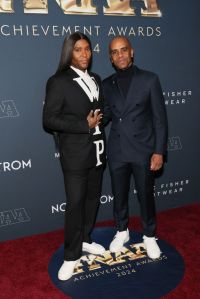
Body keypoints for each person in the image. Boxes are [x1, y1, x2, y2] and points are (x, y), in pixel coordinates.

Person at [43, 32, 106, 281]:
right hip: (75, 155)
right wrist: (84, 124)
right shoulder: (58, 81)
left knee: (92, 200)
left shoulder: (97, 78)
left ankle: (86, 240)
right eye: (78, 49)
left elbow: (100, 112)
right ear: (69, 52)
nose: (84, 54)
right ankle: (71, 255)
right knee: (76, 204)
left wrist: (102, 118)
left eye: (88, 49)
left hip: (98, 151)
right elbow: (49, 119)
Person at [102, 36, 167, 259]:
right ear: (110, 57)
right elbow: (108, 114)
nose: (119, 55)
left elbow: (160, 119)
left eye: (123, 50)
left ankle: (149, 235)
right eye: (114, 52)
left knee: (146, 195)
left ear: (132, 52)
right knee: (119, 194)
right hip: (117, 150)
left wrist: (159, 151)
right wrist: (89, 121)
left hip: (143, 149)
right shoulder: (106, 84)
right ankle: (122, 230)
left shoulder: (149, 79)